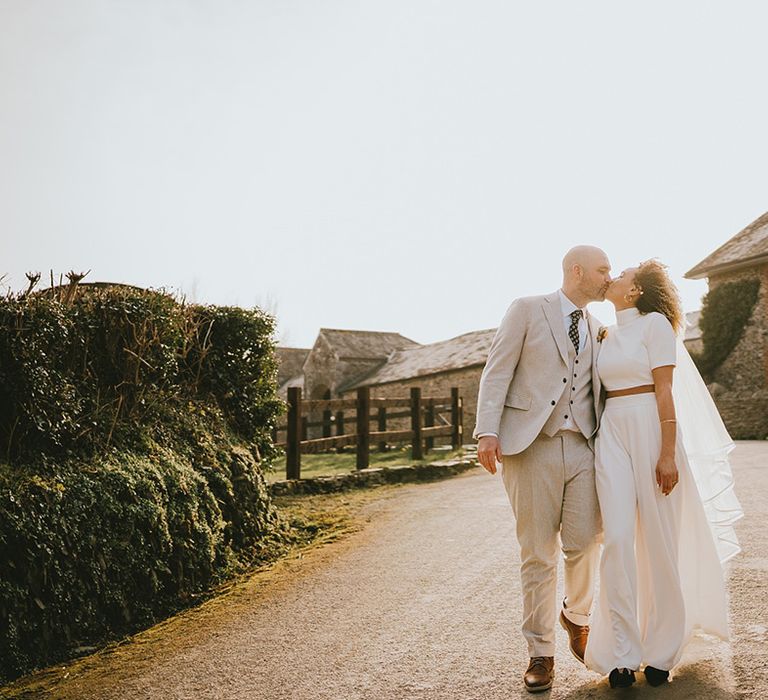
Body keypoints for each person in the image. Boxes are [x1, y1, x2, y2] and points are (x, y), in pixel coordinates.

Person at [584, 259, 742, 689]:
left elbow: (665, 389)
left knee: (659, 542)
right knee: (617, 539)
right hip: (612, 434)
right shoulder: (604, 333)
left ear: (635, 291)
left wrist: (668, 453)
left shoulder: (654, 325)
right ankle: (621, 652)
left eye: (622, 273)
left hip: (653, 432)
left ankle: (661, 650)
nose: (613, 276)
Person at [474, 245, 612, 693]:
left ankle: (576, 614)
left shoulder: (598, 328)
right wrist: (486, 431)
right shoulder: (528, 309)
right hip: (531, 446)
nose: (608, 276)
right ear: (577, 270)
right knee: (537, 553)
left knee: (586, 543)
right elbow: (497, 371)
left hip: (584, 447)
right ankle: (541, 653)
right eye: (602, 269)